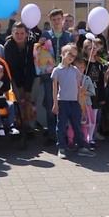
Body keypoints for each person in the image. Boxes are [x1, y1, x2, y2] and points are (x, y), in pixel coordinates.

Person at [51, 44, 95, 159]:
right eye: (69, 53)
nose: (72, 57)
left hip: (74, 102)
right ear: (62, 54)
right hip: (63, 102)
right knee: (61, 126)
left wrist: (80, 100)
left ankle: (81, 147)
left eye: (74, 56)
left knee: (77, 125)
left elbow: (78, 84)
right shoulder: (57, 70)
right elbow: (55, 88)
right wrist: (55, 103)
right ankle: (61, 148)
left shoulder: (75, 70)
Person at [40, 9, 73, 141]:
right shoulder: (45, 35)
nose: (56, 22)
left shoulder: (68, 36)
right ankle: (52, 134)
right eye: (53, 20)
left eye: (59, 19)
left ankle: (63, 133)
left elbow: (73, 55)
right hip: (50, 75)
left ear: (62, 20)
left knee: (64, 104)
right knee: (50, 104)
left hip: (65, 75)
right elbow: (40, 55)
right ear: (50, 21)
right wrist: (40, 44)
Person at [4, 22, 37, 130]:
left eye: (22, 33)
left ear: (26, 34)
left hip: (29, 76)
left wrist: (27, 88)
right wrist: (20, 87)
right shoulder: (8, 46)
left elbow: (31, 66)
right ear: (12, 33)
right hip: (15, 78)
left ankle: (29, 126)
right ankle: (18, 125)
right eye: (16, 33)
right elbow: (12, 68)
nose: (19, 36)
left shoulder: (31, 45)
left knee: (29, 102)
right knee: (18, 102)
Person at [85, 38, 107, 143]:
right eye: (90, 48)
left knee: (94, 118)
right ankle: (85, 138)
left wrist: (102, 97)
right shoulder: (84, 63)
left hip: (96, 94)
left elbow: (101, 82)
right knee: (86, 118)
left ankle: (91, 138)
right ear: (85, 50)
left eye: (94, 48)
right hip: (85, 95)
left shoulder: (98, 63)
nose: (93, 50)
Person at [72, 58, 96, 148]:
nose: (80, 69)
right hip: (75, 105)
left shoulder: (87, 79)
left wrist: (84, 92)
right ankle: (72, 141)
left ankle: (85, 141)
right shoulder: (72, 78)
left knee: (84, 125)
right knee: (73, 124)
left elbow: (93, 92)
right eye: (78, 67)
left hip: (86, 106)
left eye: (82, 67)